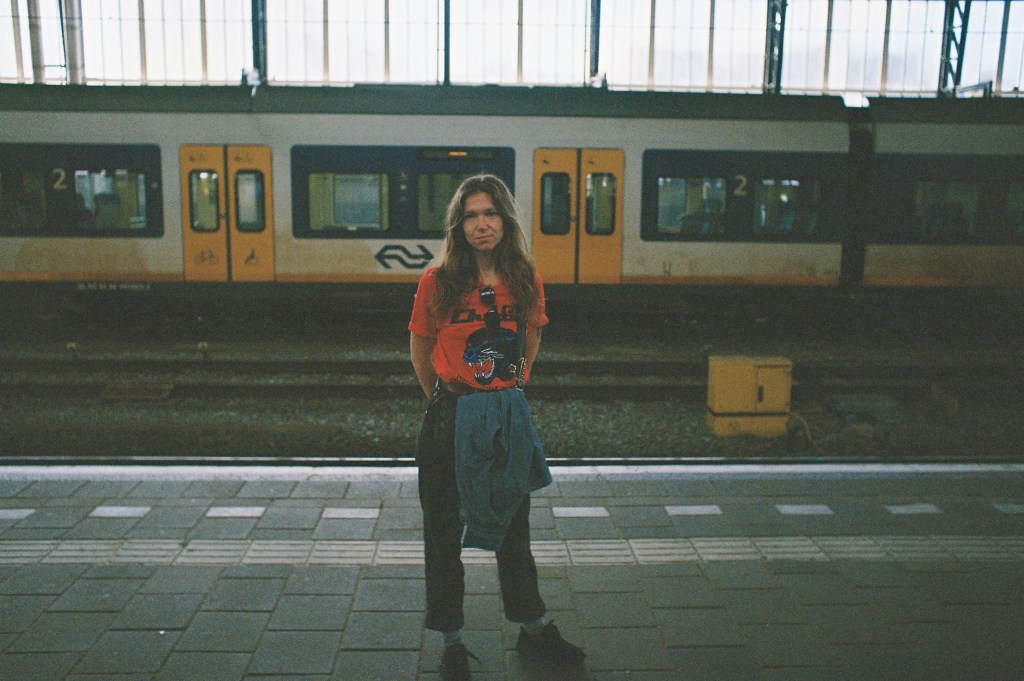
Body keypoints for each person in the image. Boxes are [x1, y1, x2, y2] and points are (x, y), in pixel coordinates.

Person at [409, 175, 586, 680]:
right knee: (442, 533)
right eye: (470, 215)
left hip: (504, 415)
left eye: (490, 214)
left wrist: (513, 384)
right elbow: (421, 348)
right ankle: (452, 640)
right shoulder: (437, 279)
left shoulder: (524, 277)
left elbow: (530, 336)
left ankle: (532, 626)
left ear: (505, 220)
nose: (481, 224)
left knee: (514, 529)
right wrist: (446, 401)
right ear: (458, 224)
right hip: (453, 415)